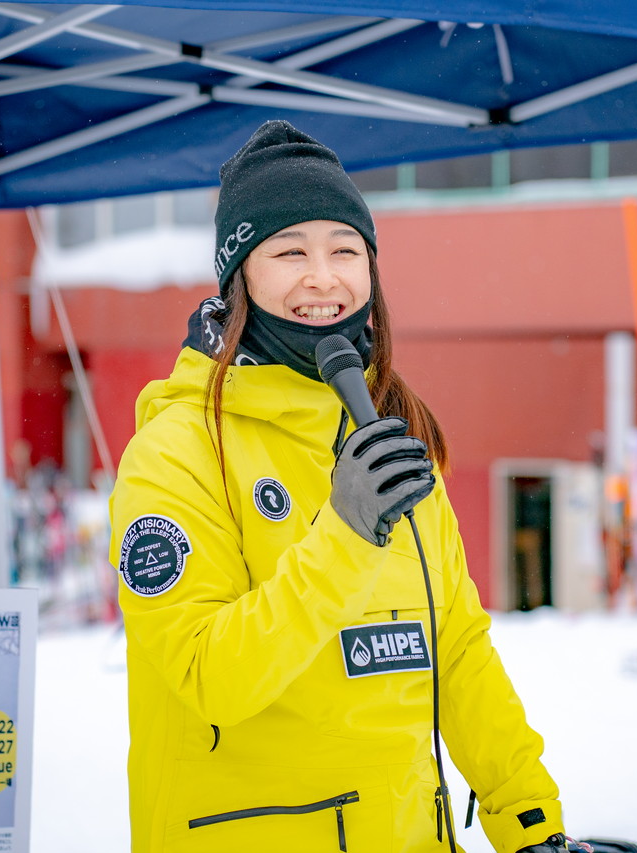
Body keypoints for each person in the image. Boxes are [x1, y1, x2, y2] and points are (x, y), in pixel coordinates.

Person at [109, 120, 575, 853]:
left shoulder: (390, 434)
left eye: (345, 251)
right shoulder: (176, 451)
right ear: (240, 279)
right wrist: (346, 537)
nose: (323, 277)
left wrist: (531, 822)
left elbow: (456, 651)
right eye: (290, 250)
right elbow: (207, 677)